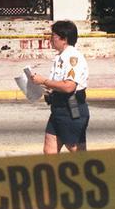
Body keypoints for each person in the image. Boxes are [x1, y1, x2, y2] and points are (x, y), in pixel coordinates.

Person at [30, 20, 90, 154]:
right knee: (49, 149)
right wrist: (43, 88)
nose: (51, 39)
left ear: (64, 39)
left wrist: (44, 80)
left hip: (71, 107)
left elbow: (69, 86)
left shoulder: (73, 58)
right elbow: (57, 84)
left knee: (75, 149)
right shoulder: (60, 57)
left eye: (53, 36)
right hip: (58, 108)